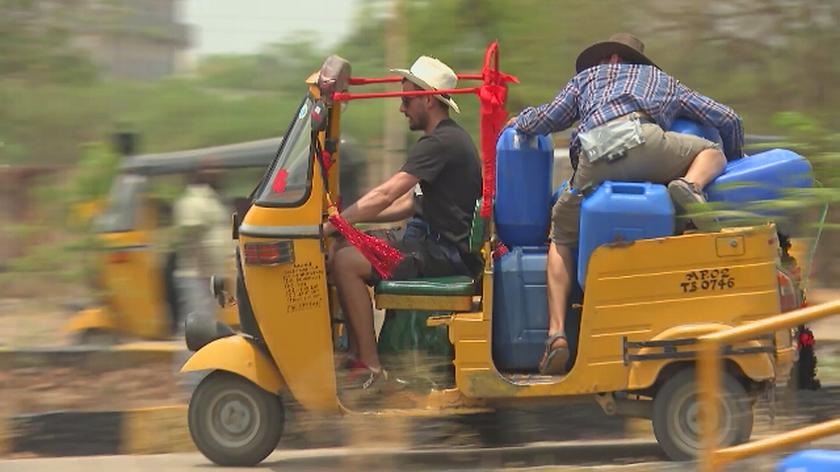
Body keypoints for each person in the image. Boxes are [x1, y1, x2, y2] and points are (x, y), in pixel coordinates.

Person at [508, 33, 743, 375]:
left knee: (560, 236)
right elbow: (727, 118)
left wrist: (520, 121)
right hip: (649, 145)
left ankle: (556, 334)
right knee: (711, 152)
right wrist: (736, 167)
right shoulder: (664, 80)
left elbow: (546, 118)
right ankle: (690, 185)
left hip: (596, 154)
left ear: (613, 58)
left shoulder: (586, 78)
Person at [323, 56, 482, 395]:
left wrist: (336, 220)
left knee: (345, 262)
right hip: (428, 244)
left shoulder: (441, 143)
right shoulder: (444, 141)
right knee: (340, 247)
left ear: (428, 99)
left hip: (442, 252)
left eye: (406, 99)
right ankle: (353, 352)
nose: (401, 108)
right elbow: (408, 204)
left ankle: (370, 366)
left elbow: (386, 193)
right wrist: (345, 225)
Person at [172, 169, 231, 333]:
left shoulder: (213, 200)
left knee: (208, 321)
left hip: (210, 273)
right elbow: (192, 235)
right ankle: (188, 359)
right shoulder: (191, 202)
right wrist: (204, 271)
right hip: (197, 275)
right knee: (197, 325)